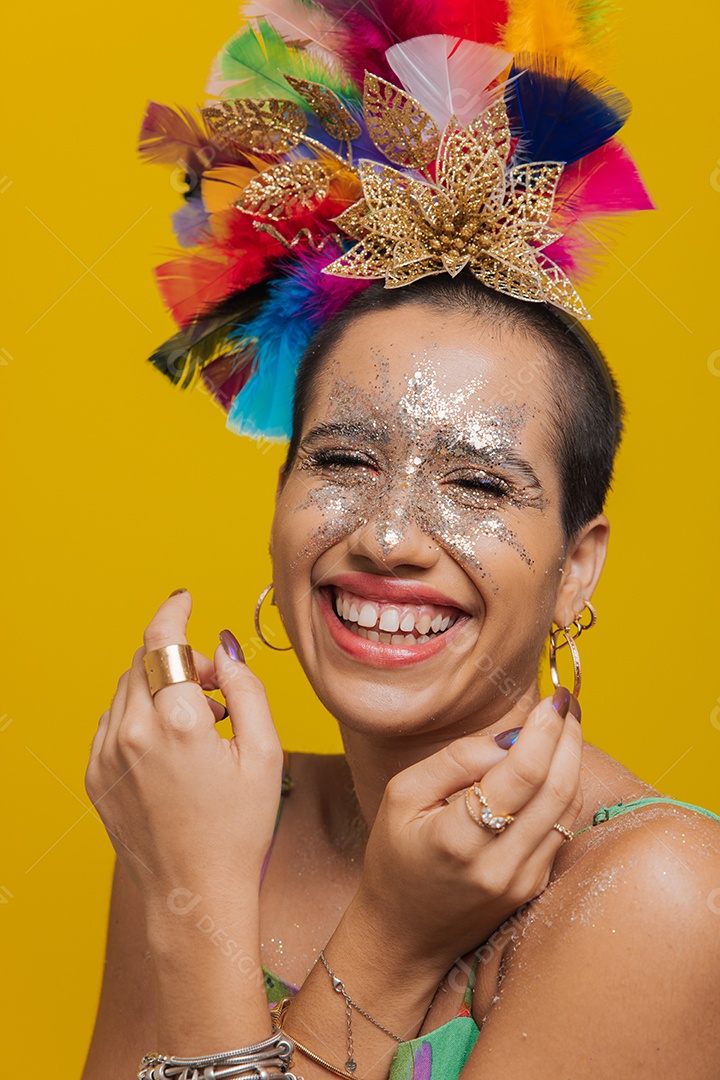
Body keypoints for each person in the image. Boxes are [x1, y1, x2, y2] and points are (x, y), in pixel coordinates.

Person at [82, 4, 720, 1078]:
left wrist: (377, 938)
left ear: (577, 568)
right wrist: (203, 884)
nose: (385, 536)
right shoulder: (206, 820)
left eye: (476, 483)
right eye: (341, 461)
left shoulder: (661, 895)